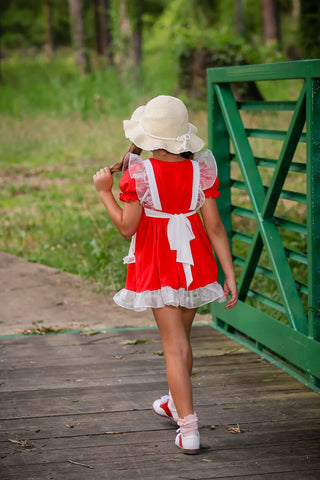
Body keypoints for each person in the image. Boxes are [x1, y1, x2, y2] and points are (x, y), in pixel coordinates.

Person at [93, 95, 238, 455]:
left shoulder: (140, 173)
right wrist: (229, 274)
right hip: (195, 262)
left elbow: (127, 228)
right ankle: (176, 404)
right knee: (184, 342)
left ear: (149, 138)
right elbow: (216, 227)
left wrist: (104, 194)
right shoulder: (199, 170)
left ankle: (189, 429)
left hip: (160, 264)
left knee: (175, 348)